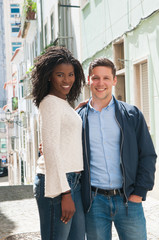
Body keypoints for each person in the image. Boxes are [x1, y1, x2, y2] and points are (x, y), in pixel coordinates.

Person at [76, 58, 157, 240]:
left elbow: (148, 155)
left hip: (128, 200)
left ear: (114, 80)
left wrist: (139, 193)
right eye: (95, 78)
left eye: (106, 78)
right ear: (88, 80)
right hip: (94, 202)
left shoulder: (131, 114)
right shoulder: (78, 119)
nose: (100, 83)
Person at [31, 46, 85, 240]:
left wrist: (77, 110)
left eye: (70, 74)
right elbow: (51, 149)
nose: (67, 80)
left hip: (72, 182)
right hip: (57, 184)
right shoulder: (49, 103)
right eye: (60, 75)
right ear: (48, 76)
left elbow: (65, 135)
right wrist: (65, 193)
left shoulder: (62, 103)